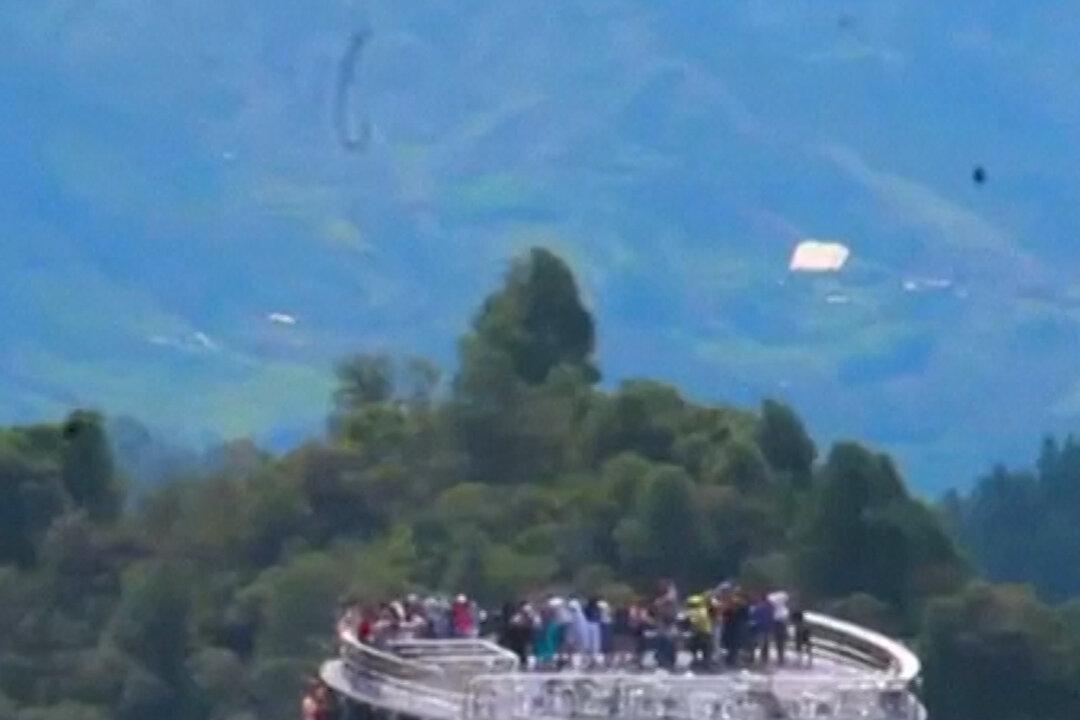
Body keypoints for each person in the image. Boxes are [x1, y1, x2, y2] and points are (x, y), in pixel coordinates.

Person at [685, 594, 713, 670]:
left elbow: (694, 623)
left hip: (699, 634)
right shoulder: (704, 610)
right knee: (707, 650)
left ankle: (697, 662)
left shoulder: (693, 612)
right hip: (708, 633)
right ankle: (707, 664)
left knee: (694, 647)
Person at [768, 590, 790, 664]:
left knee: (776, 642)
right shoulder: (782, 608)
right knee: (780, 642)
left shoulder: (775, 605)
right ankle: (780, 657)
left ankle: (779, 657)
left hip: (775, 623)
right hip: (780, 624)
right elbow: (784, 617)